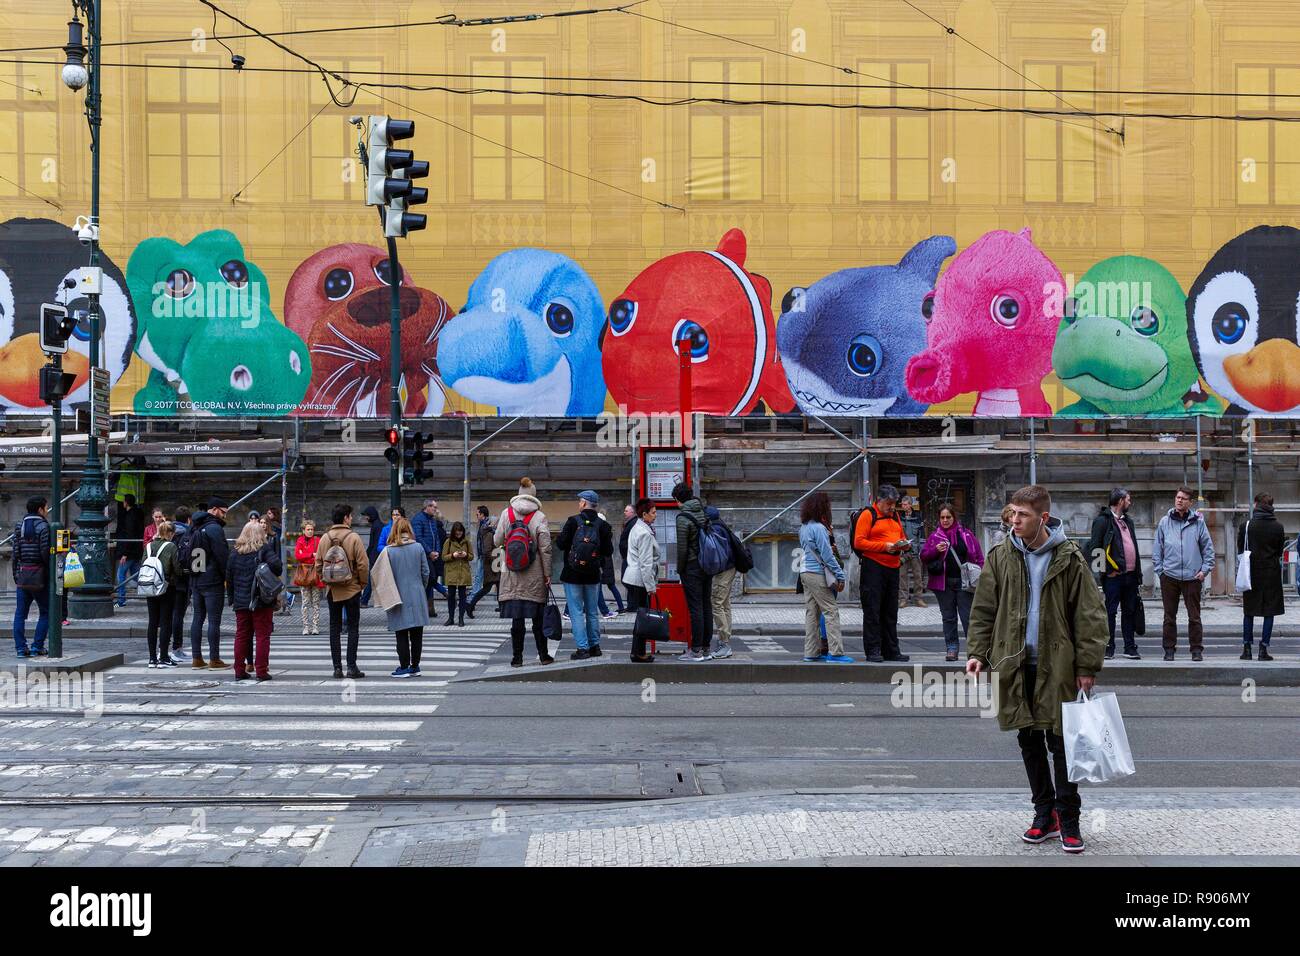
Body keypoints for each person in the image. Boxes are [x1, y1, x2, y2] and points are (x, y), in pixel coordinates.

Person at [966, 484, 1107, 854]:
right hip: (1013, 662)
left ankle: (1070, 819)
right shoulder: (1000, 555)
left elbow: (1090, 615)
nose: (1014, 521)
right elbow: (983, 609)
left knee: (1061, 742)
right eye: (1012, 513)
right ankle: (1044, 815)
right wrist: (978, 652)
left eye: (1022, 515)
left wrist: (1087, 664)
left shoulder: (1069, 557)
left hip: (1058, 664)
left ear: (1042, 517)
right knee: (1027, 740)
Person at [495, 477, 554, 667]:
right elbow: (545, 548)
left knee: (517, 620)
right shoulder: (539, 517)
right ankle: (544, 656)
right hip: (534, 573)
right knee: (537, 619)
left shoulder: (507, 514)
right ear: (534, 495)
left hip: (512, 573)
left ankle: (517, 658)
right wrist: (547, 574)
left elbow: (497, 541)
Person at [1152, 486, 1215, 662]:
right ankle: (1169, 650)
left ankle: (1196, 650)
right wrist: (1160, 571)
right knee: (1169, 617)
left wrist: (1204, 571)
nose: (1179, 500)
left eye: (1183, 498)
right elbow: (1157, 549)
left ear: (1190, 502)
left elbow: (1208, 549)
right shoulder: (1165, 522)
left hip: (1192, 577)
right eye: (1177, 497)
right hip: (1169, 576)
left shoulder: (1198, 522)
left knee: (1194, 617)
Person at [853, 484, 910, 663]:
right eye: (889, 503)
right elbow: (859, 542)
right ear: (879, 501)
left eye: (894, 503)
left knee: (890, 611)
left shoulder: (896, 517)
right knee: (873, 610)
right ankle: (873, 649)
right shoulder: (868, 515)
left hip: (893, 567)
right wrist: (884, 546)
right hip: (874, 568)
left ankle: (892, 649)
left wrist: (904, 545)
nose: (892, 507)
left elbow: (900, 535)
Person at [920, 504, 986, 662]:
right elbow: (923, 556)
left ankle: (974, 651)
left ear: (954, 517)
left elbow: (979, 557)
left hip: (965, 584)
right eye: (942, 517)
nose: (945, 520)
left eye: (948, 517)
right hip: (943, 584)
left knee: (967, 618)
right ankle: (952, 648)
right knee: (948, 618)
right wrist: (936, 550)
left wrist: (981, 576)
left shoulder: (966, 535)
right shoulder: (935, 537)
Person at [1086, 487, 1143, 660]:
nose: (1130, 502)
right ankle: (1108, 647)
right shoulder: (1102, 521)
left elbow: (1134, 547)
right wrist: (1103, 574)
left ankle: (1129, 647)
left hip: (1130, 576)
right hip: (1113, 577)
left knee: (1130, 611)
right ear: (1120, 502)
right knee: (1110, 612)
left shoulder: (1128, 521)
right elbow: (1095, 549)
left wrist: (1138, 574)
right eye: (1128, 499)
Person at [557, 490, 614, 660]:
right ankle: (595, 646)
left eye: (579, 501)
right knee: (592, 612)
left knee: (576, 611)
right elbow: (608, 551)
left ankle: (582, 648)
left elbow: (560, 544)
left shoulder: (572, 521)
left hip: (572, 574)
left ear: (583, 503)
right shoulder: (603, 525)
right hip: (593, 575)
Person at [315, 503, 370, 679]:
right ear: (346, 517)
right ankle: (351, 667)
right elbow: (363, 564)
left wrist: (326, 581)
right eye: (350, 516)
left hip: (332, 590)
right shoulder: (353, 537)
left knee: (334, 627)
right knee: (353, 627)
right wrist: (362, 584)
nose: (352, 518)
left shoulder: (324, 538)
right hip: (352, 588)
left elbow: (318, 564)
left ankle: (337, 668)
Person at [226, 518, 281, 682]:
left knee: (242, 635)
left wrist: (232, 599)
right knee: (262, 635)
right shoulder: (264, 549)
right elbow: (278, 566)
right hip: (261, 600)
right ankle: (262, 671)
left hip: (241, 601)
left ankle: (239, 670)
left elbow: (229, 577)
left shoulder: (235, 552)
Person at [799, 492, 850, 663]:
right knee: (831, 611)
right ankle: (836, 653)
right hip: (817, 573)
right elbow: (827, 556)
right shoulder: (819, 528)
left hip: (805, 572)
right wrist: (840, 575)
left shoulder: (804, 527)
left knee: (812, 613)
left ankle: (811, 652)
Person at [1238, 492, 1285, 662]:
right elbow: (1280, 551)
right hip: (1271, 573)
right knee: (1269, 612)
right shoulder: (1278, 527)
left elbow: (1240, 550)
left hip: (1251, 573)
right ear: (1271, 506)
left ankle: (1247, 649)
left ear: (1256, 504)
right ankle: (1263, 649)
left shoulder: (1247, 525)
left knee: (1249, 611)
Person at [383, 515, 430, 677]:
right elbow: (426, 572)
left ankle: (403, 666)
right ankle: (415, 665)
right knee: (417, 634)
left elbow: (383, 576)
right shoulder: (418, 547)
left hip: (397, 594)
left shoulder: (388, 551)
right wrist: (420, 587)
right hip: (417, 594)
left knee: (401, 632)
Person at [673, 483, 715, 661]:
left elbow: (682, 549)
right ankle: (706, 648)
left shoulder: (683, 517)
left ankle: (695, 650)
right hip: (707, 564)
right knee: (706, 605)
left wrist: (680, 569)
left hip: (691, 566)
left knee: (695, 608)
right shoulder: (703, 512)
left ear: (678, 499)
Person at [188, 497, 230, 669]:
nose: (225, 516)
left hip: (196, 578)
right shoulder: (214, 528)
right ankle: (214, 659)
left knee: (197, 618)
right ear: (214, 510)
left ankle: (196, 658)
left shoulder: (195, 526)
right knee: (214, 620)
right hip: (212, 580)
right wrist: (227, 576)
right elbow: (222, 556)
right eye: (223, 511)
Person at [706, 505, 748, 660]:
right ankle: (725, 640)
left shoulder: (715, 529)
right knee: (724, 604)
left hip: (723, 570)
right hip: (729, 569)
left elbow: (718, 554)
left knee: (717, 603)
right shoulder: (722, 526)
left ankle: (724, 643)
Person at [12, 496, 51, 658]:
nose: (47, 511)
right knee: (46, 612)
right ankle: (37, 646)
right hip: (39, 575)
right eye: (46, 507)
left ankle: (21, 648)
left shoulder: (19, 526)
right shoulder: (43, 526)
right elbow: (45, 552)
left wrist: (16, 575)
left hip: (23, 574)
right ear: (40, 509)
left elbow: (15, 554)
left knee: (20, 614)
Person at [623, 498, 660, 662]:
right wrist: (651, 586)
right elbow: (646, 563)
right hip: (640, 580)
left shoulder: (637, 528)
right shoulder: (644, 533)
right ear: (644, 514)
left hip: (633, 577)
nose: (656, 515)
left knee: (640, 617)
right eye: (653, 512)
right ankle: (638, 653)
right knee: (643, 618)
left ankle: (636, 651)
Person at [143, 521, 181, 668]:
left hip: (150, 587)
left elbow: (143, 564)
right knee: (166, 622)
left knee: (153, 622)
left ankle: (152, 658)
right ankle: (164, 656)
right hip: (166, 587)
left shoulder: (148, 546)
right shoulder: (171, 546)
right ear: (170, 533)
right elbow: (177, 569)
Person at [412, 498, 450, 610]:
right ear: (427, 507)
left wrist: (437, 552)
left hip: (433, 556)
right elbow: (418, 537)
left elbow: (437, 538)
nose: (435, 509)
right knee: (430, 578)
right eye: (434, 507)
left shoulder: (432, 520)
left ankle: (429, 608)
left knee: (430, 580)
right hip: (423, 555)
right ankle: (440, 594)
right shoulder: (418, 519)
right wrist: (429, 552)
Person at [168, 505, 193, 662]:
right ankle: (176, 648)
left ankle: (164, 648)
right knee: (178, 614)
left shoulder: (167, 533)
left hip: (167, 580)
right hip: (182, 580)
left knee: (168, 615)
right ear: (188, 520)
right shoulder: (188, 534)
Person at [114, 493, 146, 607]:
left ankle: (121, 600)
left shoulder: (129, 516)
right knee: (137, 574)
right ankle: (152, 590)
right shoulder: (138, 514)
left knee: (121, 575)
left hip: (129, 551)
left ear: (126, 502)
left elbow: (129, 534)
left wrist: (125, 553)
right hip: (137, 550)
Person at [466, 506, 499, 617]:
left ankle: (502, 607)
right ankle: (470, 603)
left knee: (494, 585)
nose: (476, 516)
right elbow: (487, 549)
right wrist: (493, 562)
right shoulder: (488, 531)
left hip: (490, 561)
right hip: (490, 562)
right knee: (485, 586)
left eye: (477, 514)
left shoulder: (485, 528)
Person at [293, 519, 324, 635]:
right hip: (304, 574)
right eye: (308, 529)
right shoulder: (300, 540)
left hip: (315, 574)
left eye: (312, 529)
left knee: (316, 602)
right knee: (305, 602)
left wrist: (304, 555)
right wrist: (311, 555)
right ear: (303, 530)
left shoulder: (317, 540)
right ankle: (306, 627)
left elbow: (320, 555)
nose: (310, 531)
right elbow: (297, 555)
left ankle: (315, 626)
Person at [441, 521, 474, 627]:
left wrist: (465, 555)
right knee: (451, 596)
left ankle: (461, 618)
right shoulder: (448, 542)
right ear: (453, 532)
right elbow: (443, 557)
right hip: (451, 572)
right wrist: (453, 555)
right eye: (457, 532)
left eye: (460, 531)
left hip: (463, 572)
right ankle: (450, 618)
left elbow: (471, 556)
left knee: (462, 596)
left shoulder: (467, 542)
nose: (459, 534)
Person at [898, 496, 927, 609]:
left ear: (910, 505)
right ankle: (903, 599)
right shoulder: (899, 518)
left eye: (905, 504)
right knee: (902, 576)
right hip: (903, 553)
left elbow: (922, 536)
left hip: (915, 552)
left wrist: (922, 551)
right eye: (902, 504)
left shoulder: (918, 518)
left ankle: (918, 599)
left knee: (918, 576)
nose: (903, 506)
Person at [597, 514, 625, 616]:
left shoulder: (600, 532)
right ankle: (621, 607)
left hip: (603, 563)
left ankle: (607, 610)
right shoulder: (607, 532)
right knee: (610, 586)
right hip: (607, 562)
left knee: (598, 587)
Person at [359, 506, 383, 608]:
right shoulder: (378, 525)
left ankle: (364, 600)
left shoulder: (376, 526)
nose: (366, 518)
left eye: (367, 516)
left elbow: (373, 544)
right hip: (376, 555)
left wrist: (366, 554)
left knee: (370, 579)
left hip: (375, 556)